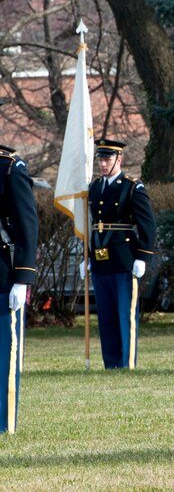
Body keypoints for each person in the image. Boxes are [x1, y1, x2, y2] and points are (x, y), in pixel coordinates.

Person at [83, 139, 156, 370]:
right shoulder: (95, 188)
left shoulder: (132, 187)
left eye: (107, 159)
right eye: (100, 159)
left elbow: (148, 225)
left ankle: (127, 362)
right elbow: (91, 224)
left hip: (124, 259)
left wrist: (143, 257)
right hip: (101, 261)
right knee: (106, 317)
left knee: (125, 315)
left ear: (119, 159)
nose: (103, 164)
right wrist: (87, 255)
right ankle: (111, 363)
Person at [1, 144, 38, 434]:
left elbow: (27, 225)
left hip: (2, 275)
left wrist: (23, 278)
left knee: (3, 356)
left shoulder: (11, 168)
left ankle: (4, 423)